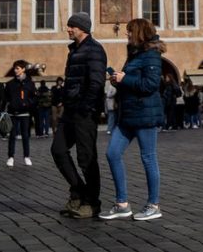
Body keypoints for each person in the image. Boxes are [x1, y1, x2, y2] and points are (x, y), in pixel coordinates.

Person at [99, 18, 165, 222]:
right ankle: (122, 204)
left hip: (145, 115)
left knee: (148, 158)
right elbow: (132, 83)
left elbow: (151, 85)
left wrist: (124, 79)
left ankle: (153, 205)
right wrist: (118, 80)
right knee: (112, 153)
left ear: (138, 32)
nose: (126, 34)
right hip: (127, 115)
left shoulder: (152, 55)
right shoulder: (135, 54)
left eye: (129, 31)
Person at [51, 12, 106, 219]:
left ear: (82, 28)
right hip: (70, 111)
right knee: (58, 150)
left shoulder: (94, 50)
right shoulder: (74, 50)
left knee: (86, 158)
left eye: (71, 26)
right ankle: (78, 191)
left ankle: (92, 203)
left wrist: (86, 107)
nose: (68, 29)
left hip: (84, 112)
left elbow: (96, 83)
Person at [4, 60, 35, 166]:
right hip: (12, 113)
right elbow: (6, 98)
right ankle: (10, 157)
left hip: (25, 113)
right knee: (12, 136)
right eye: (14, 68)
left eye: (17, 68)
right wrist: (9, 106)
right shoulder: (10, 84)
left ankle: (27, 156)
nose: (15, 70)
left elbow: (33, 97)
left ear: (23, 69)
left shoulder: (29, 83)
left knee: (25, 136)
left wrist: (27, 104)